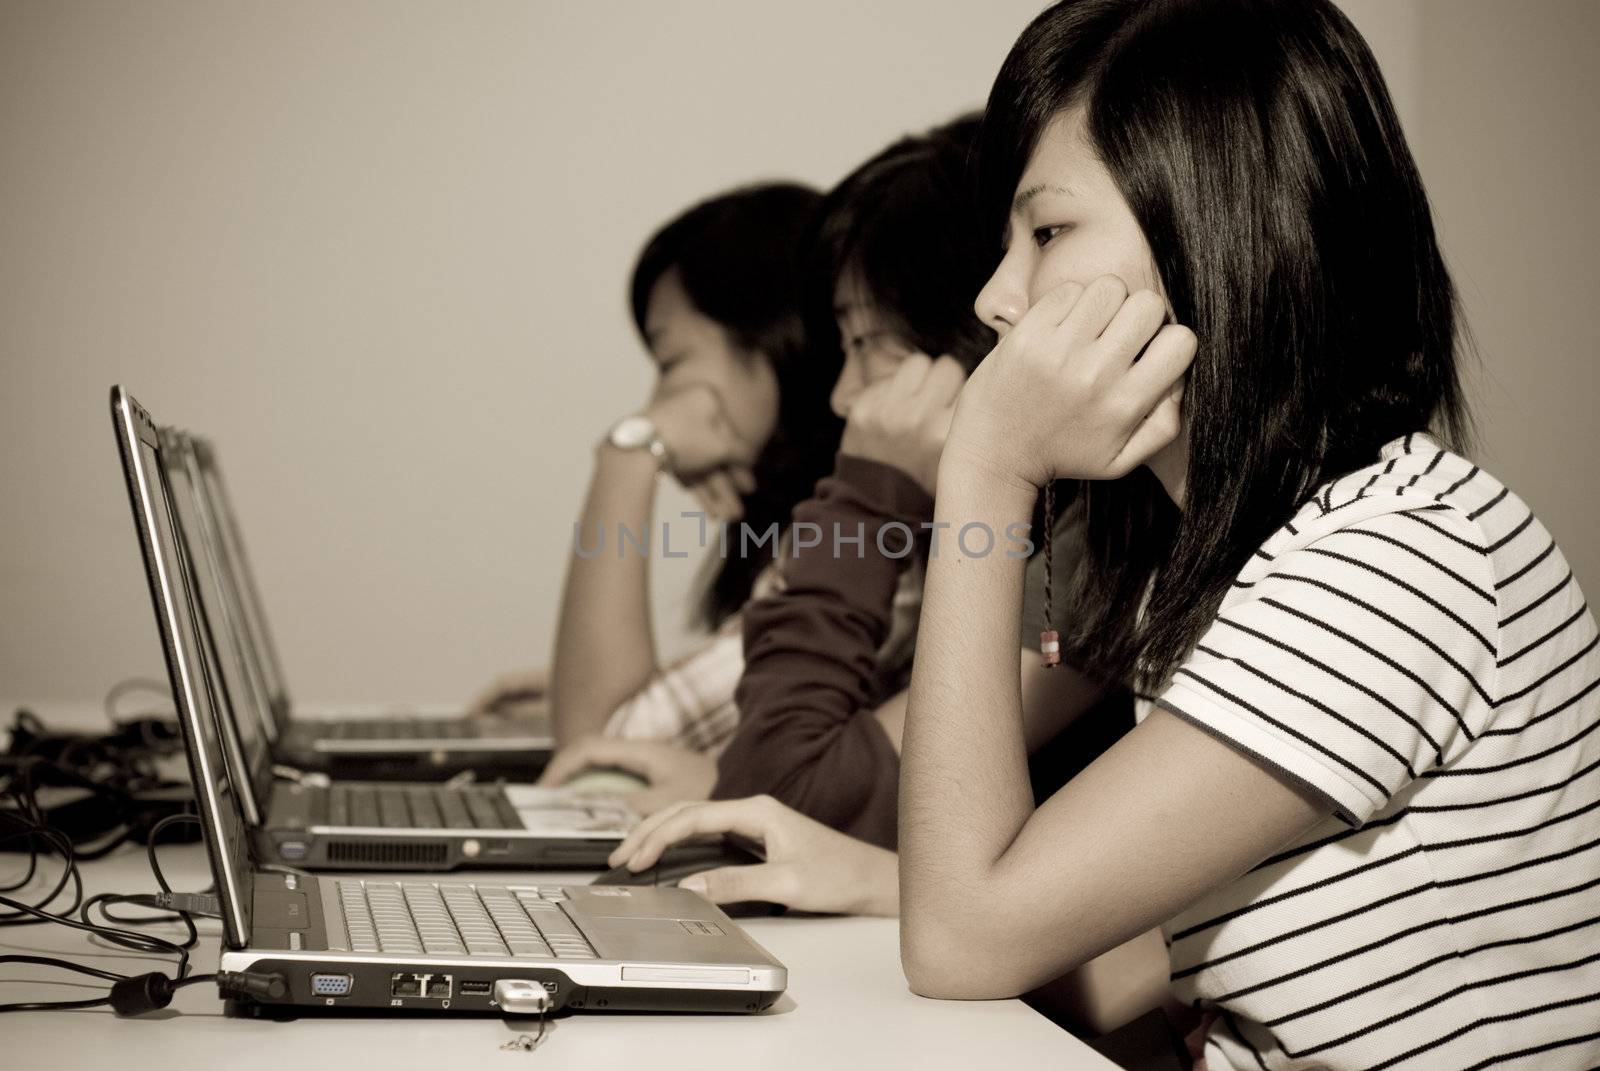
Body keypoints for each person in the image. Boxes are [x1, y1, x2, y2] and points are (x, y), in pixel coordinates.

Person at [890, 2, 1599, 1069]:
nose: (996, 298)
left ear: (1223, 225)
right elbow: (1166, 949)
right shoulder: (1246, 554)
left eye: (1044, 232)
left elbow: (961, 938)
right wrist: (877, 884)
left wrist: (986, 472)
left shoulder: (1397, 554)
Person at [544, 118, 1134, 837]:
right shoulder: (1020, 535)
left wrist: (867, 497)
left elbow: (785, 788)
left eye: (865, 343)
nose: (842, 394)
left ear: (963, 336)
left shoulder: (1102, 546)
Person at [472, 183, 842, 812]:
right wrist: (575, 691)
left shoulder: (855, 530)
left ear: (774, 340)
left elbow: (602, 757)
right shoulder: (813, 526)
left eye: (671, 362)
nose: (661, 399)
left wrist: (630, 450)